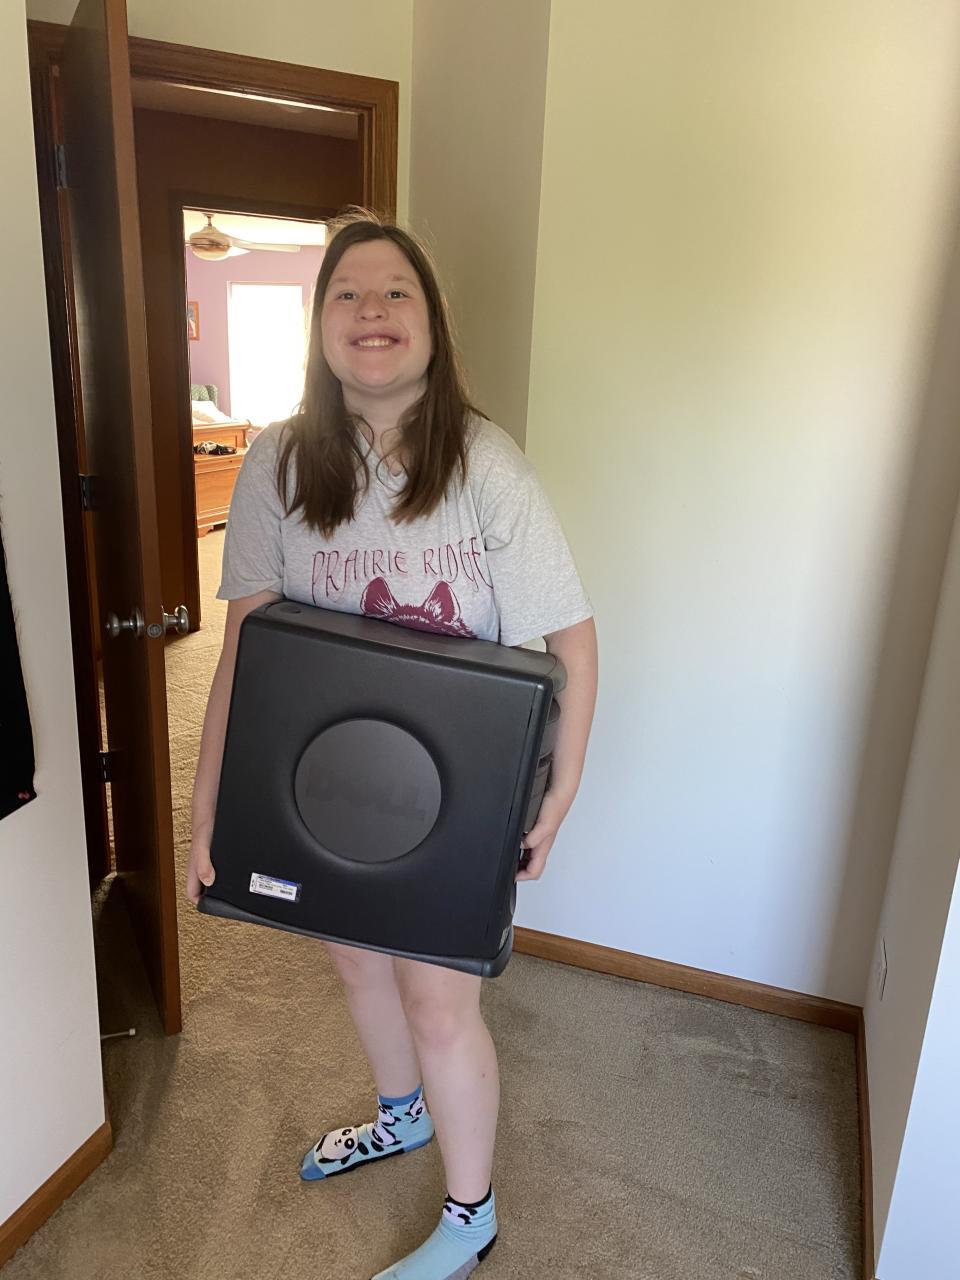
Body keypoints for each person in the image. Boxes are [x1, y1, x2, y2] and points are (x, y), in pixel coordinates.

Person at [186, 211, 598, 1280]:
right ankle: (400, 1113)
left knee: (438, 997)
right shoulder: (275, 463)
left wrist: (559, 793)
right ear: (321, 327)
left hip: (453, 792)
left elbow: (571, 637)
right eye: (347, 293)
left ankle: (470, 1216)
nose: (371, 311)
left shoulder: (486, 465)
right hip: (331, 779)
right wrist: (207, 808)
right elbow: (247, 653)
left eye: (396, 291)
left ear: (431, 323)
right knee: (355, 957)